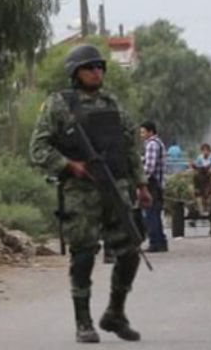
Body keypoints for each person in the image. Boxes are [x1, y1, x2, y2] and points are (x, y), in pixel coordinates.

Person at [30, 44, 153, 344]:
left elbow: (129, 148)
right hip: (81, 192)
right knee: (83, 256)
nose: (96, 72)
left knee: (130, 253)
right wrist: (70, 165)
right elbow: (38, 149)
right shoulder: (59, 104)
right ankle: (83, 322)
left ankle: (115, 312)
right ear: (75, 73)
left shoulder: (113, 103)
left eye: (100, 67)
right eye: (90, 67)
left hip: (116, 189)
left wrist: (141, 184)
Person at [140, 120, 169, 253]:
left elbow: (149, 168)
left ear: (150, 132)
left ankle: (155, 242)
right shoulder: (159, 143)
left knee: (150, 213)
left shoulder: (152, 144)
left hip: (153, 184)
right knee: (155, 213)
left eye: (143, 132)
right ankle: (161, 241)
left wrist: (140, 181)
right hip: (158, 183)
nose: (141, 135)